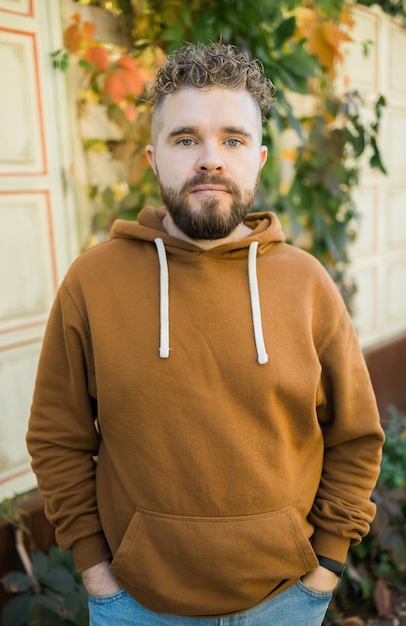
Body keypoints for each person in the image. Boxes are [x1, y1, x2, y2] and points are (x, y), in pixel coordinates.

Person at [27, 42, 384, 626]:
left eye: (233, 139)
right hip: (136, 607)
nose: (211, 159)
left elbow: (355, 435)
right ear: (153, 156)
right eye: (186, 138)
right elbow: (57, 437)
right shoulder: (92, 283)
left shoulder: (307, 284)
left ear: (260, 157)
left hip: (287, 602)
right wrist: (96, 572)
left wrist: (326, 568)